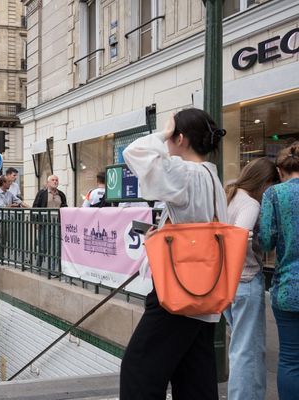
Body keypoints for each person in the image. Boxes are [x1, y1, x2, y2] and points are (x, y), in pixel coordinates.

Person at [120, 108, 227, 400]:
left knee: (137, 371)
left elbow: (134, 152)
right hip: (205, 292)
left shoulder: (186, 173)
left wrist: (164, 131)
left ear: (180, 138)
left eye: (171, 136)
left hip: (179, 290)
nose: (166, 144)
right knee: (195, 378)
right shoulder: (211, 177)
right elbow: (194, 226)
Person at [223, 157, 277, 400]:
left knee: (239, 349)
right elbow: (239, 236)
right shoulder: (250, 204)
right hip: (245, 281)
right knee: (249, 352)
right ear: (264, 182)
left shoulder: (229, 194)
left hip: (226, 283)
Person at [259, 142, 299, 400]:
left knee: (290, 359)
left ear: (280, 170)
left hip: (288, 288)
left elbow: (266, 240)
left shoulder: (274, 195)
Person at [33, 175, 68, 272]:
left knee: (56, 247)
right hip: (44, 223)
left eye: (57, 180)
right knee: (43, 246)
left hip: (57, 224)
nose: (55, 181)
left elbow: (65, 206)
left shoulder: (61, 194)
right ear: (48, 183)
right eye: (53, 180)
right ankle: (38, 266)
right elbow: (35, 207)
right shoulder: (42, 193)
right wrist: (36, 222)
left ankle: (53, 269)